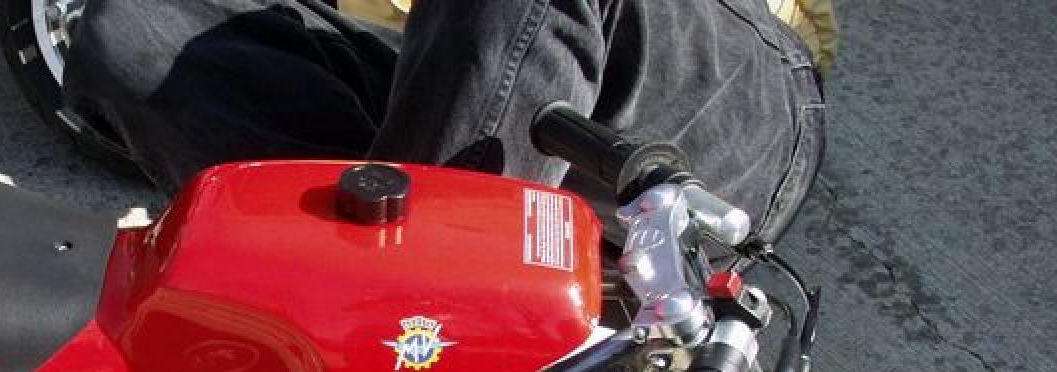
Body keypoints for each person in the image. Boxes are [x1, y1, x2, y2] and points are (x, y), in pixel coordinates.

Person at [63, 0, 825, 243]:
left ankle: (421, 318)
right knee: (131, 27)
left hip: (724, 102)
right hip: (454, 87)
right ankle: (341, 267)